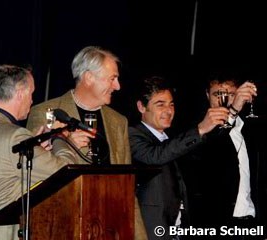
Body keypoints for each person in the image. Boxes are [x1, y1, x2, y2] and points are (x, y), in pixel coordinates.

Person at [26, 46, 148, 239]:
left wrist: (139, 235)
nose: (118, 86)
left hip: (111, 227)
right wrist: (65, 143)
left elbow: (126, 186)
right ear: (89, 78)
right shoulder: (47, 113)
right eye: (112, 78)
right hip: (65, 226)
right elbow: (33, 175)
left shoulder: (118, 121)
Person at [0, 65, 78, 240]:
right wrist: (61, 138)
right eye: (31, 93)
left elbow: (1, 179)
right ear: (20, 93)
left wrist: (36, 147)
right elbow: (65, 173)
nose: (32, 100)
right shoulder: (15, 136)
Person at [128, 76, 230, 240]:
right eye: (160, 104)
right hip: (151, 230)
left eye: (171, 104)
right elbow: (156, 156)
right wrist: (200, 129)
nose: (169, 111)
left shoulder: (171, 138)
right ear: (141, 106)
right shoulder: (132, 134)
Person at [185, 71, 266, 239]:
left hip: (250, 225)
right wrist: (233, 110)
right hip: (216, 227)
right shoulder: (197, 131)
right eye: (218, 94)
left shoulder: (249, 129)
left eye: (231, 94)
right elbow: (213, 149)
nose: (226, 100)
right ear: (207, 95)